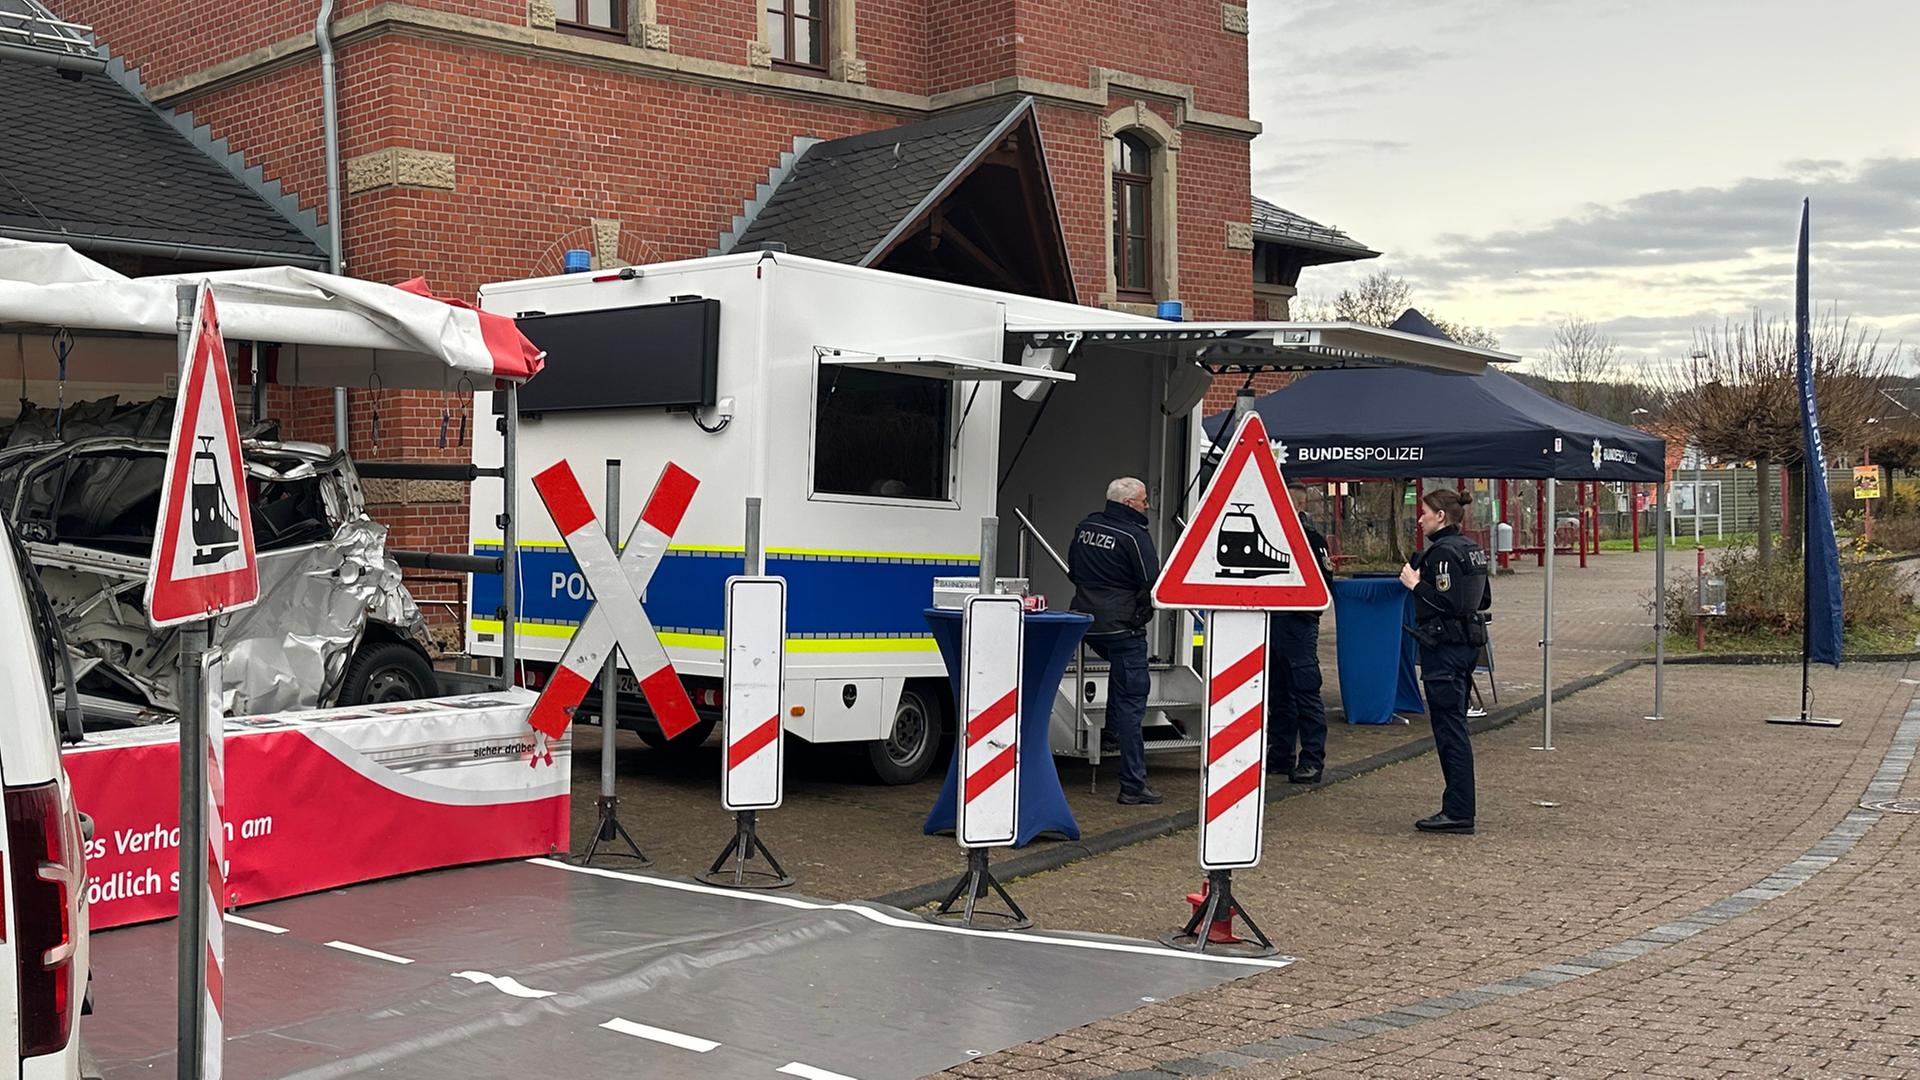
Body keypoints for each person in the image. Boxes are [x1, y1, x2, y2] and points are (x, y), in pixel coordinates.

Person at [1399, 488, 1491, 834]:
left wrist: (1415, 585)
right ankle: (1458, 807)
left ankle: (1458, 811)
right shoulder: (1471, 549)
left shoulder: (1442, 554)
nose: (1419, 518)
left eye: (1424, 512)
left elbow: (1447, 602)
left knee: (1450, 729)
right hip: (1465, 646)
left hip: (1445, 649)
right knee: (1455, 725)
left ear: (1440, 516)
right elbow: (1483, 598)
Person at [1068, 477, 1162, 805]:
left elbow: (1073, 571)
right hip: (1123, 627)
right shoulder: (1135, 535)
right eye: (1143, 500)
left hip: (1086, 622)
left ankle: (1110, 735)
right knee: (1132, 702)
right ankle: (1133, 785)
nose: (1147, 506)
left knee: (1121, 683)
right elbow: (1151, 582)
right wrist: (1141, 611)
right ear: (1127, 503)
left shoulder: (1086, 527)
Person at [1268, 483, 1335, 783]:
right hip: (1274, 620)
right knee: (1279, 693)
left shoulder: (1311, 538)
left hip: (1298, 624)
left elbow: (1324, 584)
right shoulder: (1273, 534)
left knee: (1305, 692)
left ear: (1297, 505)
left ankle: (1312, 759)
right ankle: (1281, 755)